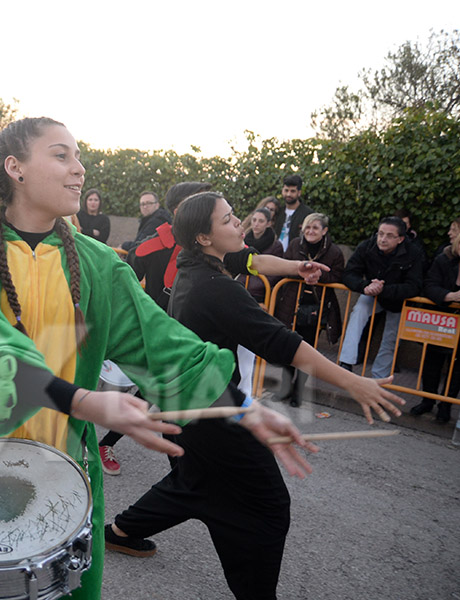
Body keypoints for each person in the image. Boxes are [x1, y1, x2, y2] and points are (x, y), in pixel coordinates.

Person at [0, 117, 317, 600]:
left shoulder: (100, 263)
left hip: (67, 464)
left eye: (79, 157)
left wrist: (241, 409)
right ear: (14, 167)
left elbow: (168, 349)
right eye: (61, 155)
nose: (79, 169)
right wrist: (84, 401)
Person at [106, 191, 403, 600]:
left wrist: (297, 267)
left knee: (195, 484)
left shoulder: (199, 262)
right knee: (267, 507)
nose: (239, 224)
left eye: (234, 216)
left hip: (194, 411)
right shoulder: (213, 289)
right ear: (204, 237)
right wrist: (353, 382)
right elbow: (282, 343)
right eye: (228, 220)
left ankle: (121, 531)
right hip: (213, 413)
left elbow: (253, 260)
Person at [338, 216, 426, 377]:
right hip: (371, 293)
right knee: (359, 311)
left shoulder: (414, 253)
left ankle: (379, 378)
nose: (383, 239)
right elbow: (349, 273)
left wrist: (383, 290)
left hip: (398, 301)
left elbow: (414, 286)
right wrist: (365, 287)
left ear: (400, 239)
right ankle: (346, 362)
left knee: (391, 338)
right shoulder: (367, 246)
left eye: (389, 236)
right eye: (380, 233)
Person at [273, 213, 345, 406]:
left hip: (316, 306)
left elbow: (338, 277)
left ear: (324, 231)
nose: (310, 231)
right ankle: (285, 388)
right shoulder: (296, 245)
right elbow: (286, 267)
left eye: (315, 227)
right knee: (289, 346)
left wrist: (320, 276)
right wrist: (301, 272)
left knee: (307, 349)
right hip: (291, 303)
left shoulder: (334, 252)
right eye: (307, 227)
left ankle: (299, 391)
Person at [410, 222, 460, 423]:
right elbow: (429, 286)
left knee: (457, 369)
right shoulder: (443, 259)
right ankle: (428, 400)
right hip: (440, 321)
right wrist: (450, 296)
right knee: (431, 362)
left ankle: (445, 405)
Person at [239, 207, 284, 303]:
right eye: (254, 220)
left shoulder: (275, 245)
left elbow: (275, 272)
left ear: (268, 224)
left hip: (261, 293)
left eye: (261, 221)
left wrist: (255, 285)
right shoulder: (242, 241)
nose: (256, 224)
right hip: (241, 287)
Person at [278, 174, 312, 248]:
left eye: (293, 191)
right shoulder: (278, 212)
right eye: (286, 190)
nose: (288, 194)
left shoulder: (308, 215)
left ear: (299, 193)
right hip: (275, 255)